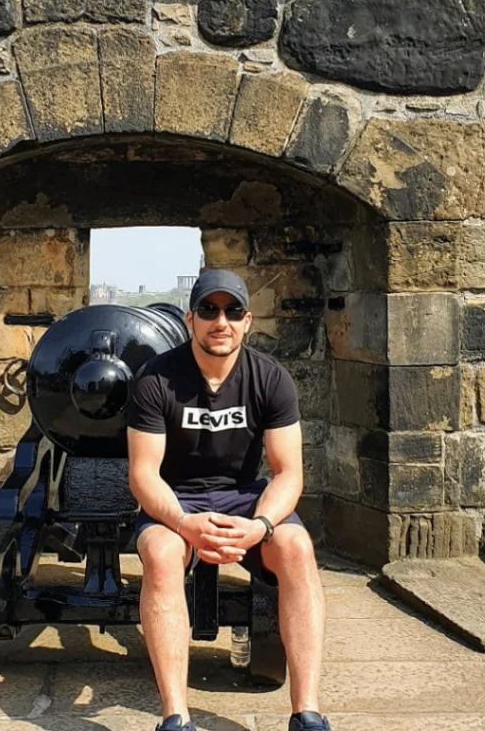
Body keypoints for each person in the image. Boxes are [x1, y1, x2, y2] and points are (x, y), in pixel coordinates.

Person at [127, 268, 329, 731]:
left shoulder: (270, 379)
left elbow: (287, 472)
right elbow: (142, 474)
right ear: (190, 319)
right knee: (159, 555)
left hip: (243, 497)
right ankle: (175, 717)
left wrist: (261, 526)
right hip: (176, 499)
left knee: (297, 548)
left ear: (247, 321)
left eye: (232, 310)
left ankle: (308, 713)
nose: (222, 321)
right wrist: (182, 524)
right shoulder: (155, 380)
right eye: (209, 310)